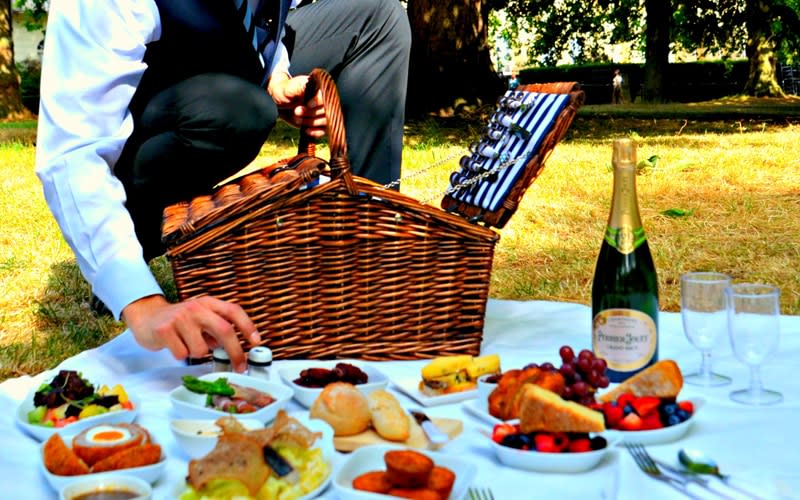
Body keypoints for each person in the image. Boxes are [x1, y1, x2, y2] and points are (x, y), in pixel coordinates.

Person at [35, 0, 411, 372]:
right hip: (144, 128)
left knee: (377, 17)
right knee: (238, 109)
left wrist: (274, 77)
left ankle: (370, 249)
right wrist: (138, 297)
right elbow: (73, 151)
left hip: (217, 67)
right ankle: (138, 235)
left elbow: (265, 24)